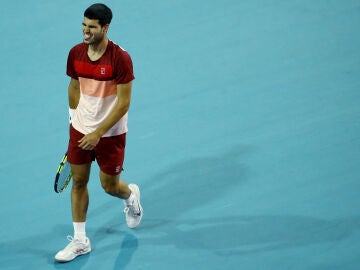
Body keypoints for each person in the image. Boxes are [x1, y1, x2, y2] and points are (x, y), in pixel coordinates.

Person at [55, 3, 143, 263]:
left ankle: (131, 196)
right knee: (79, 182)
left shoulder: (120, 58)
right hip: (80, 129)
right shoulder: (75, 53)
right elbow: (73, 86)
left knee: (109, 186)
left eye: (91, 27)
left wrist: (99, 132)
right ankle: (81, 240)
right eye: (83, 25)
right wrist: (74, 120)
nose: (85, 31)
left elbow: (124, 103)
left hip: (111, 134)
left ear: (105, 28)